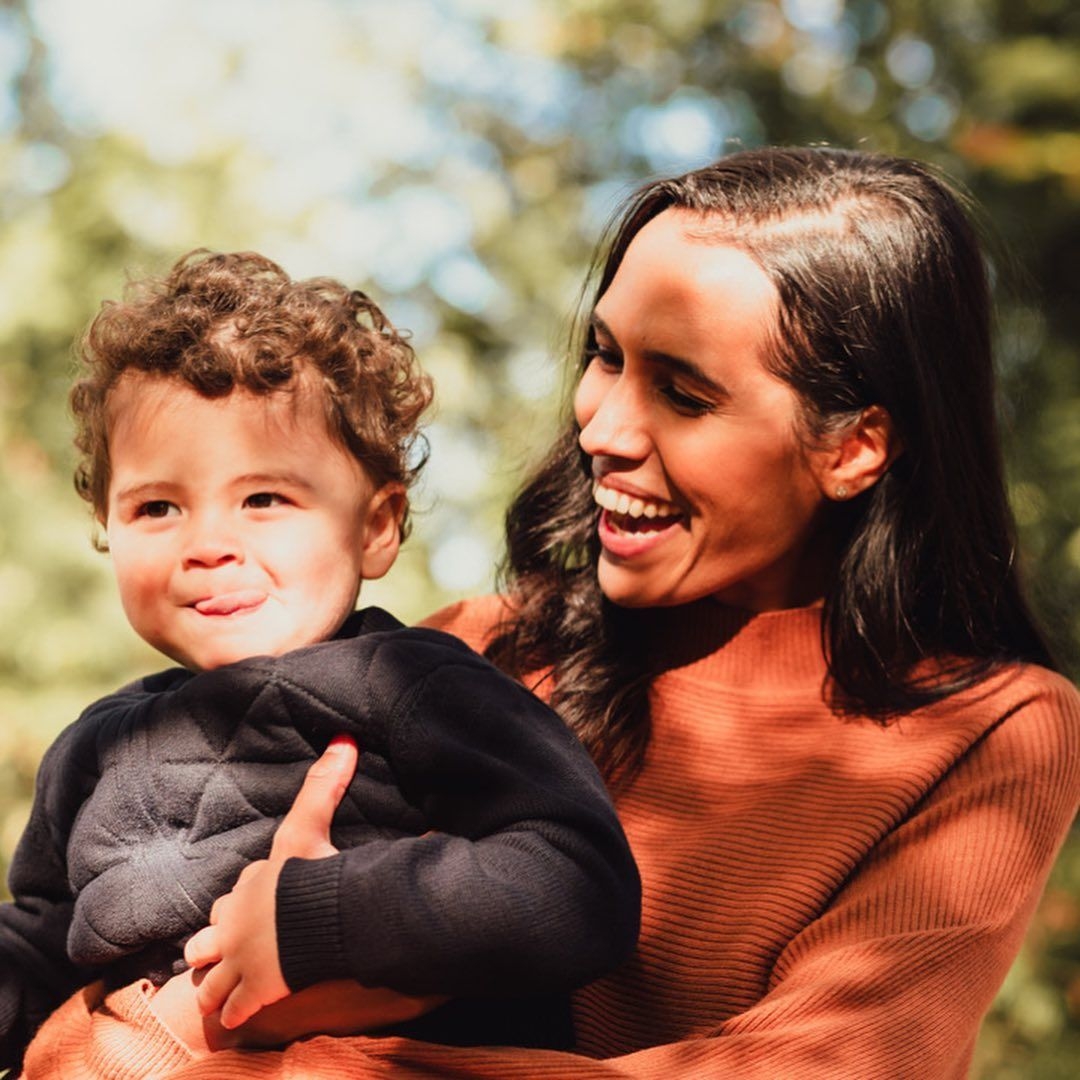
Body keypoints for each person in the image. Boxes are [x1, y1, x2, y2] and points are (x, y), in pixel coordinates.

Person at [24, 145, 1080, 1079]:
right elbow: (79, 981)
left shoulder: (992, 730)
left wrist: (247, 1046)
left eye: (684, 390)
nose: (603, 426)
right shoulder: (475, 651)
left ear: (854, 447)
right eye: (605, 355)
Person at [1, 250, 641, 1077]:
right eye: (157, 507)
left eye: (264, 498)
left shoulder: (420, 685)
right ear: (106, 529)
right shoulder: (96, 748)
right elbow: (45, 940)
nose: (208, 545)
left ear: (377, 526)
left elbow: (577, 879)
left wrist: (316, 920)